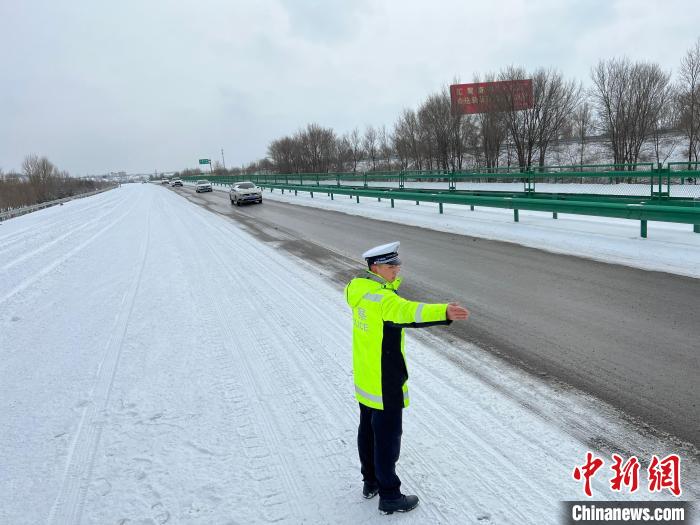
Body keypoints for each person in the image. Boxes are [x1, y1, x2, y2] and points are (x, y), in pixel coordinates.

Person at [344, 241, 469, 515]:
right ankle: (390, 495)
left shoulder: (361, 289)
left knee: (367, 430)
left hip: (366, 375)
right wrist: (444, 312)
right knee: (387, 438)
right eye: (392, 265)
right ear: (376, 267)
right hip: (384, 378)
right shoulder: (384, 299)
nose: (397, 269)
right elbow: (410, 312)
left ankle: (371, 482)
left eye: (397, 264)